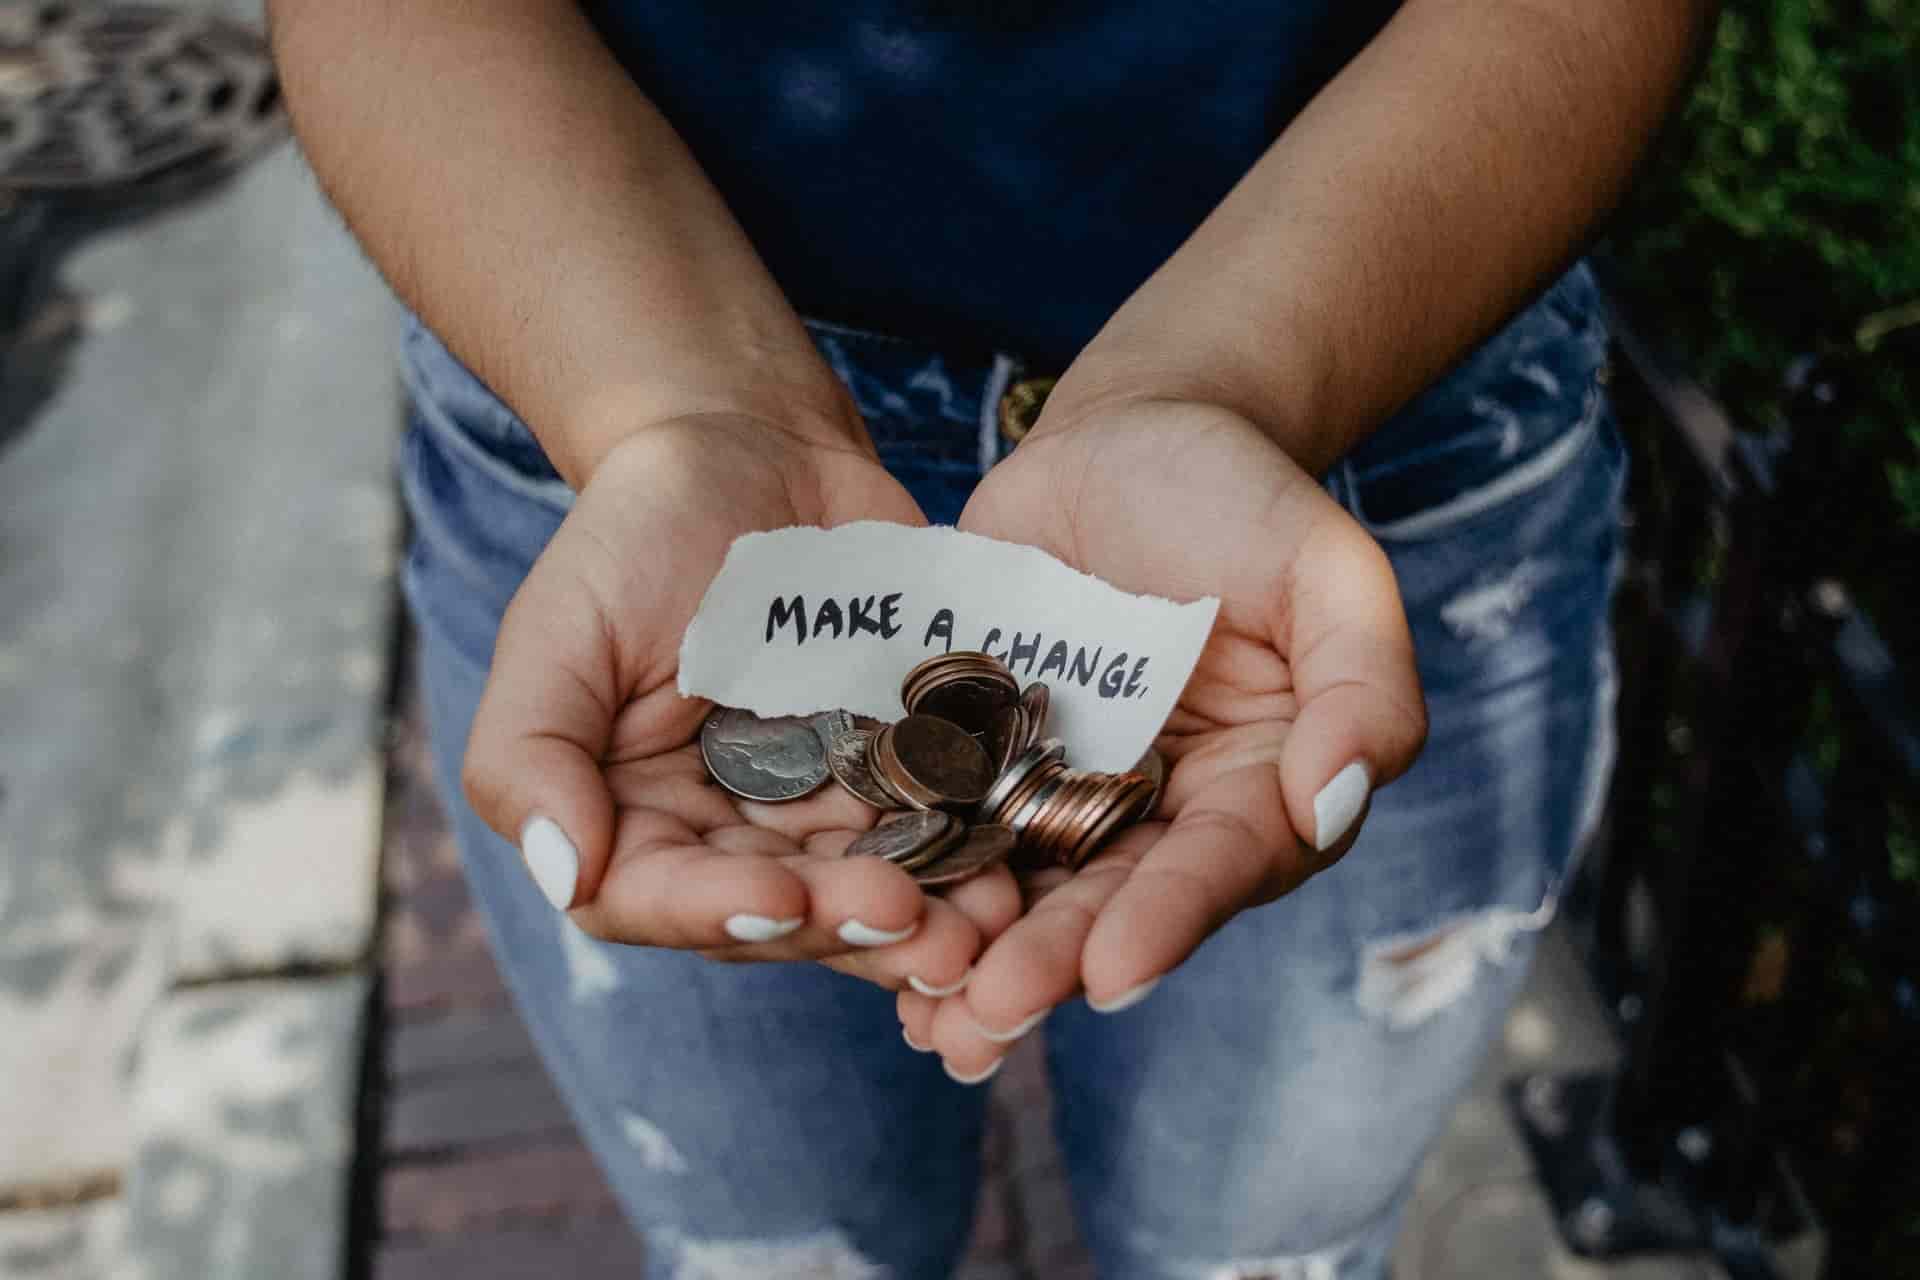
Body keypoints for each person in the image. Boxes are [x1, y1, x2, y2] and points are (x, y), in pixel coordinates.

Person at [272, 2, 1709, 1275]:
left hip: (1373, 400)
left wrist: (1219, 387)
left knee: (1269, 1264)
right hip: (609, 413)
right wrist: (673, 420)